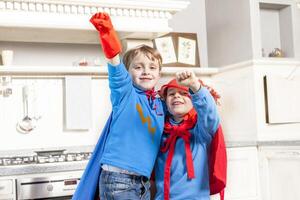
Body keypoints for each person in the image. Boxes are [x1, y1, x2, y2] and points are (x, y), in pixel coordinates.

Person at [72, 12, 165, 200]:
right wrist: (107, 33)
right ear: (128, 72)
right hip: (118, 180)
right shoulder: (125, 94)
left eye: (152, 67)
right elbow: (115, 64)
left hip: (143, 182)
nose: (146, 71)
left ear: (159, 74)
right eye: (138, 67)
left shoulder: (159, 104)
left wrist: (203, 93)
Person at [153, 71, 227, 200]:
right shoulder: (160, 130)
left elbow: (209, 113)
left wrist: (195, 86)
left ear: (194, 100)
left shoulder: (201, 130)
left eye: (183, 93)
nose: (176, 96)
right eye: (171, 94)